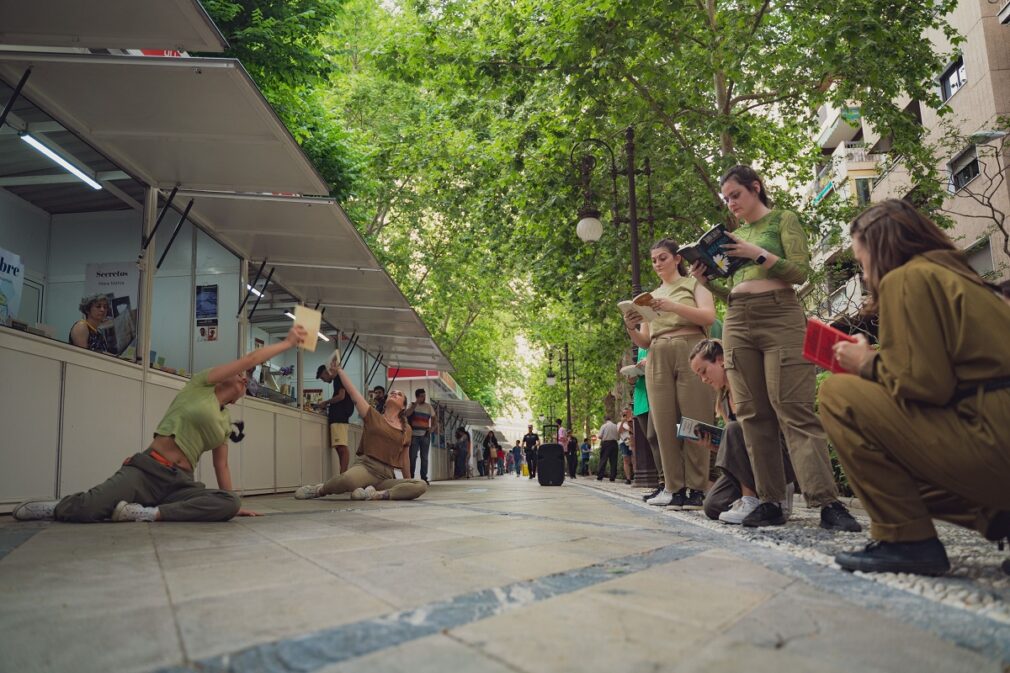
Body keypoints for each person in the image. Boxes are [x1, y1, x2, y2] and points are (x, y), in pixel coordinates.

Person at [819, 200, 1010, 575]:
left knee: (839, 396)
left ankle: (905, 541)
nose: (865, 274)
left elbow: (924, 384)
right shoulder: (964, 279)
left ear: (879, 249)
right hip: (992, 428)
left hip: (995, 441)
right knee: (894, 474)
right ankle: (999, 517)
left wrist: (865, 363)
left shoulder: (906, 278)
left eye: (861, 262)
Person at [688, 165, 860, 531]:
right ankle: (769, 502)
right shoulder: (734, 236)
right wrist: (708, 282)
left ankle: (827, 503)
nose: (731, 203)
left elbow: (801, 272)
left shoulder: (783, 220)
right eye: (726, 199)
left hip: (780, 314)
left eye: (736, 195)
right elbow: (736, 287)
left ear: (756, 188)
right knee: (751, 414)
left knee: (792, 408)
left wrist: (756, 253)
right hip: (737, 318)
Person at [14, 326, 308, 523]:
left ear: (241, 396)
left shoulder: (224, 422)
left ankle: (148, 514)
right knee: (91, 507)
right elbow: (251, 358)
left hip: (180, 483)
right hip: (148, 469)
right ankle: (56, 506)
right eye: (242, 373)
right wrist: (288, 342)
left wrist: (233, 503)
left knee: (228, 504)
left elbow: (222, 467)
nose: (244, 377)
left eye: (247, 380)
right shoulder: (200, 386)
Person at [624, 239, 717, 509]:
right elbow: (644, 340)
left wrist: (672, 306)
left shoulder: (694, 284)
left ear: (677, 258)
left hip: (691, 348)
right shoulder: (648, 297)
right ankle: (673, 487)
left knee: (694, 420)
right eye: (653, 260)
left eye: (662, 258)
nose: (657, 264)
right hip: (657, 353)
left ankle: (697, 487)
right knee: (664, 423)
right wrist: (631, 327)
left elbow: (708, 317)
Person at [689, 339, 797, 524]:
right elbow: (740, 447)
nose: (704, 379)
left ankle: (765, 497)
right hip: (751, 464)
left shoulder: (750, 381)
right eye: (699, 375)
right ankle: (754, 500)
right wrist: (715, 446)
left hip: (776, 458)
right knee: (712, 505)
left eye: (704, 371)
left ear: (721, 360)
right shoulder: (723, 401)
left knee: (734, 428)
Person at [294, 365, 427, 502]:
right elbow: (353, 392)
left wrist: (407, 482)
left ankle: (375, 494)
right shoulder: (372, 416)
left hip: (386, 476)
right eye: (393, 393)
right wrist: (339, 370)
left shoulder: (407, 429)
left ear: (403, 406)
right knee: (347, 480)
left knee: (420, 485)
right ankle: (319, 490)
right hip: (366, 468)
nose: (395, 394)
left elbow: (405, 459)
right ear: (386, 402)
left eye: (399, 394)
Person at [630, 350, 664, 502]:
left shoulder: (656, 339)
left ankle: (665, 483)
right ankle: (662, 483)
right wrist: (631, 377)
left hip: (655, 394)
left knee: (654, 436)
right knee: (652, 441)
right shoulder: (640, 346)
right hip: (641, 396)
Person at [316, 364, 354, 475]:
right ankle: (342, 473)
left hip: (339, 417)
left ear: (326, 372)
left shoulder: (338, 378)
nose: (323, 380)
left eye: (323, 378)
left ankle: (343, 475)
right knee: (339, 447)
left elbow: (341, 396)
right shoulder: (339, 379)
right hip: (339, 417)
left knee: (341, 447)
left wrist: (326, 402)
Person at [405, 388, 436, 484]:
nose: (424, 398)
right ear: (417, 397)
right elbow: (406, 414)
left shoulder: (428, 407)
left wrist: (432, 428)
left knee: (424, 457)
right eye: (422, 396)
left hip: (425, 435)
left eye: (424, 395)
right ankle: (411, 476)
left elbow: (434, 418)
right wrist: (415, 405)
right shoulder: (412, 405)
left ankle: (424, 478)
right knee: (412, 456)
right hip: (414, 435)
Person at [596, 415, 619, 482]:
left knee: (603, 459)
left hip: (606, 443)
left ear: (605, 420)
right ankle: (612, 477)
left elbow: (600, 436)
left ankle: (600, 476)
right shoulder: (615, 426)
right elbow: (618, 436)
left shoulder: (604, 426)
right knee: (614, 461)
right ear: (610, 419)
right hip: (614, 443)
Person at [618, 408, 634, 485]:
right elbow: (619, 432)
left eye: (626, 414)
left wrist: (629, 422)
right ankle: (628, 478)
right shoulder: (619, 423)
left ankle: (636, 476)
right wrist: (622, 422)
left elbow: (633, 431)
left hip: (633, 442)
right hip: (624, 443)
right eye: (623, 414)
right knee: (626, 460)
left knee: (634, 459)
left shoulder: (633, 422)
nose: (625, 416)